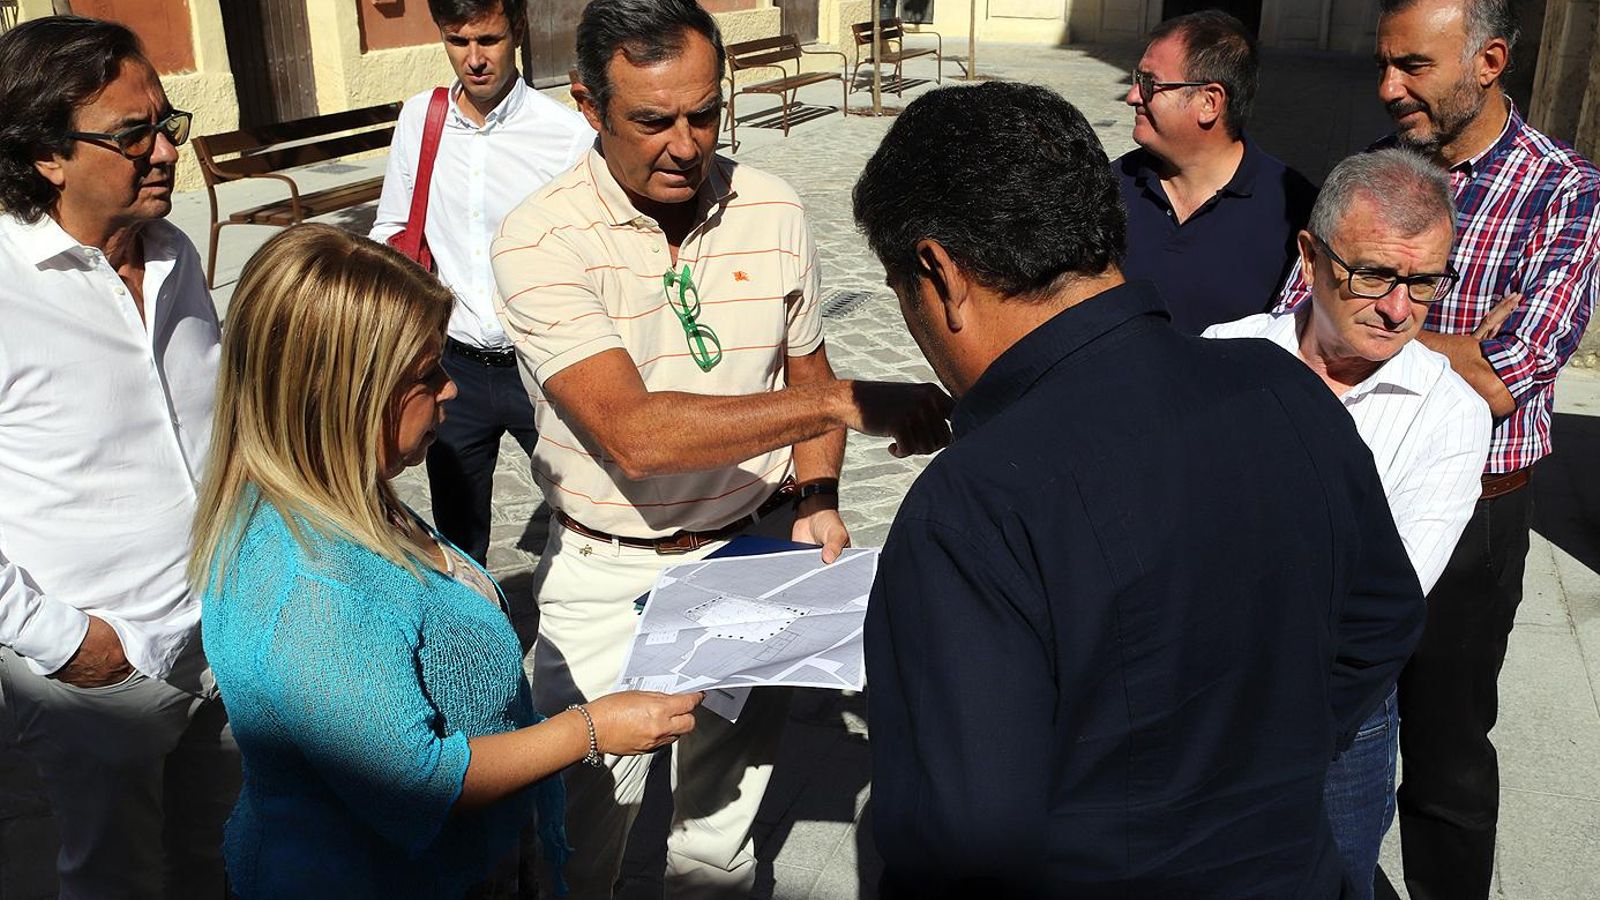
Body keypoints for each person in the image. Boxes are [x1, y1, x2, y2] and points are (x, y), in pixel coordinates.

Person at [854, 81, 1426, 899]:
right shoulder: (1285, 387)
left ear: (939, 273)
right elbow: (1382, 618)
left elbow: (962, 845)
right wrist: (1257, 760)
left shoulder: (972, 508)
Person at [490, 0, 952, 893]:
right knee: (580, 826)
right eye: (652, 120)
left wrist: (816, 497)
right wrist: (849, 403)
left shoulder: (772, 208)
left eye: (704, 113)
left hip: (746, 554)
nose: (686, 143)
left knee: (723, 823)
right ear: (588, 107)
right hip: (605, 569)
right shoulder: (538, 237)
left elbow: (801, 374)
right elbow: (635, 433)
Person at [192, 223, 704, 897]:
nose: (452, 390)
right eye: (425, 375)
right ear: (342, 392)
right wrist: (590, 729)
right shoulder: (310, 583)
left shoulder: (348, 500)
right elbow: (412, 782)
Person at [1275, 3, 1600, 895]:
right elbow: (1290, 320)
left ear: (1489, 59)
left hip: (1479, 517)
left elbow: (1508, 375)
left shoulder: (1563, 190)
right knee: (1321, 722)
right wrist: (1452, 342)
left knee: (1447, 753)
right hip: (1338, 492)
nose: (1387, 87)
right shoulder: (1369, 171)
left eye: (1412, 67)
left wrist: (1365, 327)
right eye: (1384, 64)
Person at [1206, 149, 1492, 898]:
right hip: (1198, 692)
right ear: (1309, 253)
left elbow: (1376, 602)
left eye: (1424, 283)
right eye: (1374, 275)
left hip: (1342, 720)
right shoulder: (1219, 356)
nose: (1399, 309)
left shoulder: (1449, 414)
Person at [0, 17, 239, 897]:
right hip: (98, 673)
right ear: (46, 155)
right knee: (115, 881)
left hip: (223, 636)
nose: (165, 151)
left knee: (222, 858)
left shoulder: (173, 255)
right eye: (131, 135)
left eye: (166, 124)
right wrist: (65, 644)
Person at [369, 0, 592, 564]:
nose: (474, 59)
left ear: (516, 31)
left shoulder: (563, 135)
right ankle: (475, 643)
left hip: (538, 364)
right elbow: (391, 228)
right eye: (457, 41)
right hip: (451, 368)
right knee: (458, 532)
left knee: (585, 509)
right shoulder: (421, 119)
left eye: (488, 40)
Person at [1115, 9, 1317, 334]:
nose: (1133, 96)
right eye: (1137, 79)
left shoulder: (1296, 209)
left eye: (1149, 83)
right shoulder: (1104, 189)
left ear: (1210, 101)